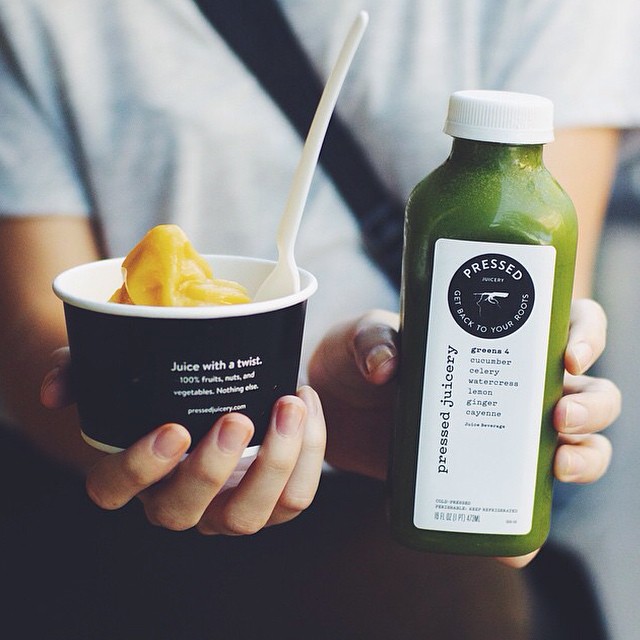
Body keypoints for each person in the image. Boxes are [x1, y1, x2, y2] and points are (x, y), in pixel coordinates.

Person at [0, 0, 634, 637]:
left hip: (408, 512)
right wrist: (144, 427)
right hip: (116, 541)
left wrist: (398, 410)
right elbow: (37, 324)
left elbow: (535, 282)